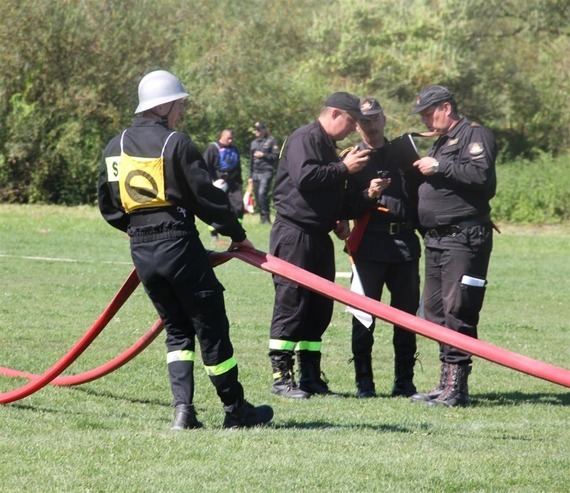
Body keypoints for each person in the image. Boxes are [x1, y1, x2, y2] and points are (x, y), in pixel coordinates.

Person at [98, 69, 273, 429]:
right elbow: (206, 197)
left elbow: (109, 205)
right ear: (163, 107)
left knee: (177, 330)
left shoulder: (114, 146)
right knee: (210, 325)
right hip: (178, 243)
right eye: (179, 105)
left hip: (143, 254)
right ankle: (235, 409)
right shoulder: (175, 143)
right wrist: (236, 234)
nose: (181, 112)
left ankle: (183, 412)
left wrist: (135, 229)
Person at [268, 91, 375, 399]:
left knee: (318, 309)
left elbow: (328, 193)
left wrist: (365, 197)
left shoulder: (329, 146)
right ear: (335, 114)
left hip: (318, 237)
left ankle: (310, 376)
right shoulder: (305, 137)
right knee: (292, 304)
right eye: (352, 121)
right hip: (294, 235)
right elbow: (305, 178)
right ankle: (281, 377)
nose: (354, 128)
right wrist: (344, 169)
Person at [409, 85, 497, 407]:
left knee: (458, 310)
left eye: (428, 113)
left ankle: (457, 388)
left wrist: (439, 167)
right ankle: (444, 383)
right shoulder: (443, 141)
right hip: (437, 239)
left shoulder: (475, 135)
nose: (425, 120)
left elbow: (482, 178)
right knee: (434, 312)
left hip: (464, 238)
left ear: (446, 107)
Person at [341, 97, 421, 398]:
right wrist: (368, 194)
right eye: (364, 120)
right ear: (356, 124)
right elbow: (344, 205)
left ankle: (405, 382)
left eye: (375, 118)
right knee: (362, 317)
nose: (370, 124)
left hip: (405, 245)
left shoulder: (403, 153)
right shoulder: (351, 157)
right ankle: (364, 383)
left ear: (384, 119)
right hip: (369, 246)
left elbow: (421, 193)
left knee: (407, 318)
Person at [203, 129, 243, 242]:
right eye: (228, 138)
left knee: (238, 206)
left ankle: (238, 232)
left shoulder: (234, 148)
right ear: (222, 136)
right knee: (216, 208)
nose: (230, 140)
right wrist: (210, 182)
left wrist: (240, 183)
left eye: (232, 138)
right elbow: (205, 165)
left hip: (233, 183)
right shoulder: (212, 148)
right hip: (217, 183)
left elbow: (238, 166)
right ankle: (214, 234)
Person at [248, 121, 280, 224]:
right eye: (256, 129)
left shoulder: (271, 141)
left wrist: (264, 155)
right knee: (257, 196)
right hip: (255, 173)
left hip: (266, 171)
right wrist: (250, 176)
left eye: (259, 129)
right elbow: (251, 161)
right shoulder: (254, 143)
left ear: (263, 130)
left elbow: (276, 156)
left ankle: (266, 218)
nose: (257, 131)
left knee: (262, 194)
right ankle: (263, 219)